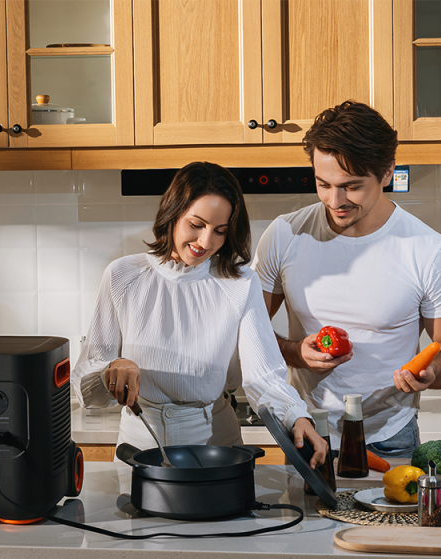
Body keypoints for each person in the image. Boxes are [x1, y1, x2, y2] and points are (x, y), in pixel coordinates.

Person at [255, 101, 441, 459]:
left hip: (390, 435)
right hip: (306, 428)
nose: (334, 200)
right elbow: (248, 332)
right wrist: (296, 353)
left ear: (387, 172)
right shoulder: (284, 234)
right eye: (322, 184)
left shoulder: (429, 251)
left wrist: (433, 371)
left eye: (351, 186)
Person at [76, 162, 326, 465]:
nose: (206, 242)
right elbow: (86, 378)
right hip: (140, 439)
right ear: (173, 213)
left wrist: (296, 416)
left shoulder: (241, 283)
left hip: (215, 442)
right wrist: (110, 370)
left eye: (220, 231)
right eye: (196, 225)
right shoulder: (122, 275)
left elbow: (264, 376)